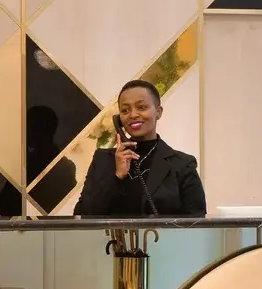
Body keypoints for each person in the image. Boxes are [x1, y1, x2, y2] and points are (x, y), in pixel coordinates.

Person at [74, 80, 206, 217]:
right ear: (119, 119)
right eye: (125, 110)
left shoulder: (182, 164)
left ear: (158, 112)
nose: (133, 115)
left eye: (141, 107)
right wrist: (117, 177)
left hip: (165, 239)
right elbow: (83, 215)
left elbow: (197, 220)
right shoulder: (103, 160)